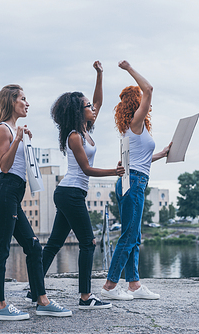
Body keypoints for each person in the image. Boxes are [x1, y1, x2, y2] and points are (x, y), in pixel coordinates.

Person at [33, 61, 124, 310]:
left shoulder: (86, 129)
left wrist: (100, 75)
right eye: (87, 106)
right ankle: (85, 297)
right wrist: (114, 171)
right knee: (89, 243)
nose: (92, 108)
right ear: (77, 110)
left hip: (70, 193)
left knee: (53, 244)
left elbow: (99, 103)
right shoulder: (74, 135)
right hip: (70, 193)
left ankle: (35, 288)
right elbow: (86, 169)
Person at [0, 84, 72, 321]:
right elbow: (4, 166)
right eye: (23, 99)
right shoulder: (3, 129)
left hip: (13, 195)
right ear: (11, 102)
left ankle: (41, 300)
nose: (27, 103)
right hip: (4, 192)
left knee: (34, 247)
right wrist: (19, 140)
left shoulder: (15, 130)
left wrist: (25, 141)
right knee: (1, 251)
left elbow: (24, 165)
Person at [100, 60, 171, 301]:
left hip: (129, 182)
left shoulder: (131, 128)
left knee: (134, 235)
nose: (144, 99)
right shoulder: (136, 122)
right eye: (139, 97)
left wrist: (161, 154)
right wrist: (129, 68)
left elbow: (140, 158)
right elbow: (149, 88)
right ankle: (110, 286)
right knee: (129, 235)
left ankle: (134, 284)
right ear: (137, 101)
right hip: (135, 183)